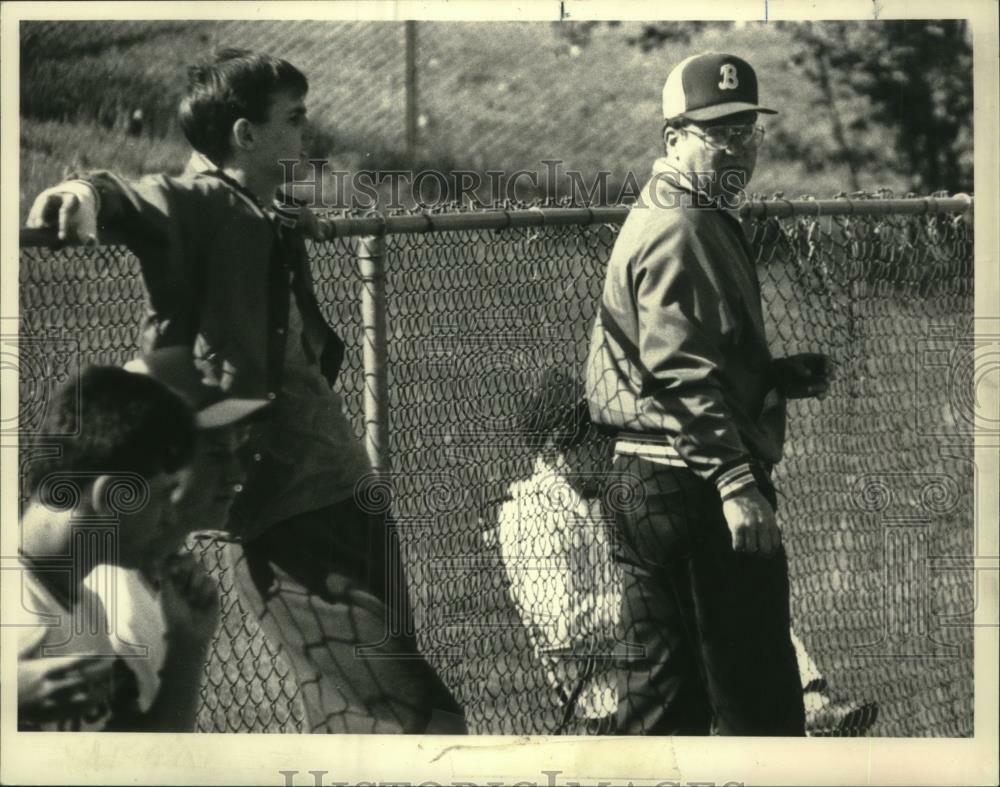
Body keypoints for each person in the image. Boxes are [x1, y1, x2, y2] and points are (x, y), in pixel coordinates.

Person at [25, 49, 465, 734]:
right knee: (420, 721)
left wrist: (284, 230)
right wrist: (86, 194)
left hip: (343, 496)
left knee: (357, 723)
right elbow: (141, 199)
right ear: (245, 134)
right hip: (291, 520)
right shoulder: (201, 203)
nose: (306, 134)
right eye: (294, 119)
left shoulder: (257, 209)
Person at [585, 52, 832, 736]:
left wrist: (771, 375)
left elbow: (685, 352)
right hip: (691, 483)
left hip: (659, 477)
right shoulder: (680, 222)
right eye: (717, 132)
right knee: (759, 708)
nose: (738, 147)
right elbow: (680, 369)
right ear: (674, 140)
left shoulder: (689, 209)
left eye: (748, 131)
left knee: (665, 709)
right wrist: (735, 482)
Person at [500, 369, 878, 736]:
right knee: (713, 598)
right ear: (558, 449)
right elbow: (562, 630)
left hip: (656, 648)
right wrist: (650, 600)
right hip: (606, 692)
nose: (608, 447)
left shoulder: (597, 497)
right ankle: (807, 710)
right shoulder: (529, 513)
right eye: (595, 439)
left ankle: (811, 703)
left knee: (734, 586)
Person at [79, 346, 270, 725]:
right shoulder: (114, 613)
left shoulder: (160, 585)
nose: (239, 475)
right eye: (217, 454)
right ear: (158, 461)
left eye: (238, 448)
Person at [17, 366, 213, 731]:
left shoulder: (86, 607)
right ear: (112, 497)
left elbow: (146, 759)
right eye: (164, 496)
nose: (173, 517)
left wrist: (187, 646)